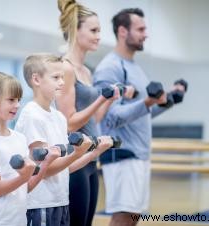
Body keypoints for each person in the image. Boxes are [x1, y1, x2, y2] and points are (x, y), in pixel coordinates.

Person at [93, 8, 187, 226]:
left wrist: (169, 99)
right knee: (123, 219)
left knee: (132, 218)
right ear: (123, 31)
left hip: (138, 154)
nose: (146, 34)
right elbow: (110, 118)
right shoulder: (110, 68)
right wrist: (147, 102)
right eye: (141, 29)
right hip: (123, 154)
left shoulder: (135, 67)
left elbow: (143, 113)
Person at [55, 1, 135, 225]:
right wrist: (101, 98)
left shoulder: (86, 71)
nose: (99, 36)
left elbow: (94, 119)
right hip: (75, 161)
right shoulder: (66, 68)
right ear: (75, 30)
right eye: (93, 30)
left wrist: (109, 100)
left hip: (91, 160)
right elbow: (69, 123)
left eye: (99, 30)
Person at [15, 53, 114, 226]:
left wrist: (93, 153)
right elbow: (45, 169)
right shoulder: (32, 115)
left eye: (62, 77)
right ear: (36, 80)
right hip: (40, 205)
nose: (62, 82)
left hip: (61, 203)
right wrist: (76, 154)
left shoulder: (59, 118)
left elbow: (65, 168)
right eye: (56, 77)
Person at [0, 72, 59, 226]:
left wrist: (46, 163)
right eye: (11, 100)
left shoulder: (20, 138)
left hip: (19, 221)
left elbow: (25, 188)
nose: (17, 105)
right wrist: (23, 177)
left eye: (18, 100)